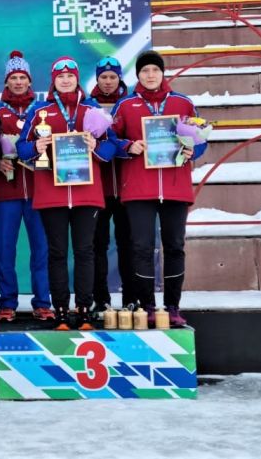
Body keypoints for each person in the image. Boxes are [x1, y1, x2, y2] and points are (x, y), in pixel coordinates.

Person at [16, 57, 116, 331]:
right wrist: (36, 146)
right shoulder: (40, 111)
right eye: (60, 76)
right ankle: (60, 310)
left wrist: (96, 145)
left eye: (70, 75)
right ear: (54, 80)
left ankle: (84, 309)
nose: (65, 80)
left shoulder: (92, 110)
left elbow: (111, 148)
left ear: (76, 78)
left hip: (86, 194)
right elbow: (22, 148)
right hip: (52, 194)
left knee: (85, 251)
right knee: (57, 252)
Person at [111, 50, 206, 327]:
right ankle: (148, 306)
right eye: (145, 71)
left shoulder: (182, 102)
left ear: (163, 73)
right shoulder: (125, 105)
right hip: (139, 189)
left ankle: (173, 307)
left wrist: (193, 151)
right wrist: (128, 146)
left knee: (175, 247)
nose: (150, 75)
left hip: (175, 187)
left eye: (155, 70)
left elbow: (201, 138)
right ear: (138, 75)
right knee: (141, 247)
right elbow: (109, 139)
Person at [0, 51, 52, 322]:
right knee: (5, 249)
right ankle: (7, 303)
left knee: (41, 249)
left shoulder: (42, 110)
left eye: (22, 78)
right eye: (13, 78)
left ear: (30, 81)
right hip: (7, 190)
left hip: (40, 190)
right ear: (6, 81)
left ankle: (42, 302)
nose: (18, 82)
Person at [89, 57, 135, 313]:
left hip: (128, 187)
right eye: (103, 77)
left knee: (128, 244)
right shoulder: (88, 106)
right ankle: (101, 299)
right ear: (97, 79)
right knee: (98, 245)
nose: (108, 81)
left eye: (112, 77)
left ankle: (131, 298)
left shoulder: (130, 104)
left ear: (119, 78)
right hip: (98, 188)